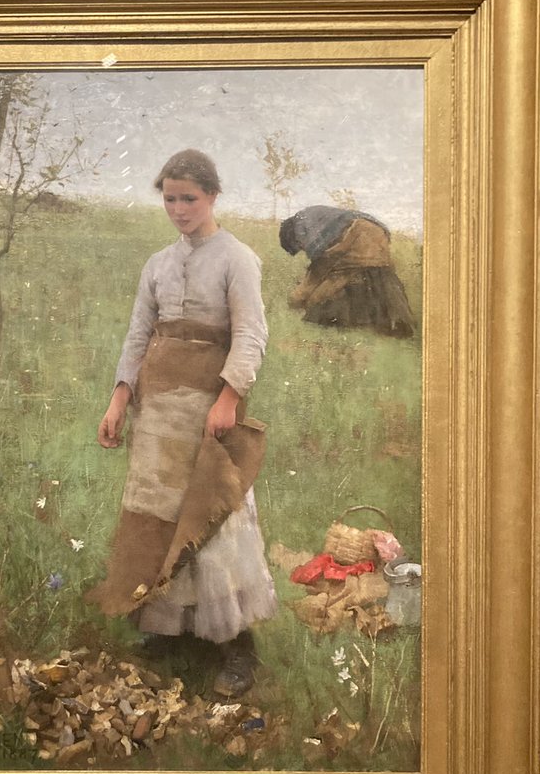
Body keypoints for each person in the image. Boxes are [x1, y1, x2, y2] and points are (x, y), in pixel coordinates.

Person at [87, 149, 277, 698]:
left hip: (209, 410)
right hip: (158, 409)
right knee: (159, 513)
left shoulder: (237, 258)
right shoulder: (157, 265)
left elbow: (251, 337)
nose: (178, 209)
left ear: (212, 196)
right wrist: (120, 399)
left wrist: (228, 398)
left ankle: (236, 646)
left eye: (188, 198)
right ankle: (169, 631)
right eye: (169, 198)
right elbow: (137, 335)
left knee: (213, 513)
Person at [280, 205, 415, 337]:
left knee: (326, 292)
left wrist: (296, 300)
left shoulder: (304, 227)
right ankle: (387, 327)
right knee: (376, 277)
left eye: (299, 246)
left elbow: (320, 268)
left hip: (358, 234)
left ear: (295, 238)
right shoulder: (314, 218)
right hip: (377, 234)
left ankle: (344, 326)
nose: (303, 248)